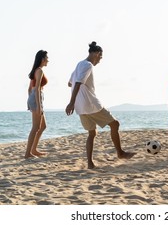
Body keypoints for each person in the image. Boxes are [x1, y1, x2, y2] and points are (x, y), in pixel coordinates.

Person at [65, 41, 136, 169]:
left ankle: (90, 163)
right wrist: (71, 101)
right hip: (91, 104)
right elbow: (77, 83)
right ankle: (120, 153)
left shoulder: (79, 64)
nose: (100, 60)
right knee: (115, 124)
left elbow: (70, 83)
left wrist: (74, 101)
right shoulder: (88, 65)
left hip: (80, 107)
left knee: (92, 134)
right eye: (100, 57)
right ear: (97, 54)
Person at [26, 50, 49, 158]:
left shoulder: (35, 70)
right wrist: (38, 106)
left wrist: (30, 101)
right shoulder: (39, 71)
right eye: (47, 58)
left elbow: (30, 89)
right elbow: (37, 88)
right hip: (37, 98)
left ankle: (33, 150)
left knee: (43, 126)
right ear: (42, 59)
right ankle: (27, 153)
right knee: (35, 127)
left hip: (34, 97)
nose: (48, 60)